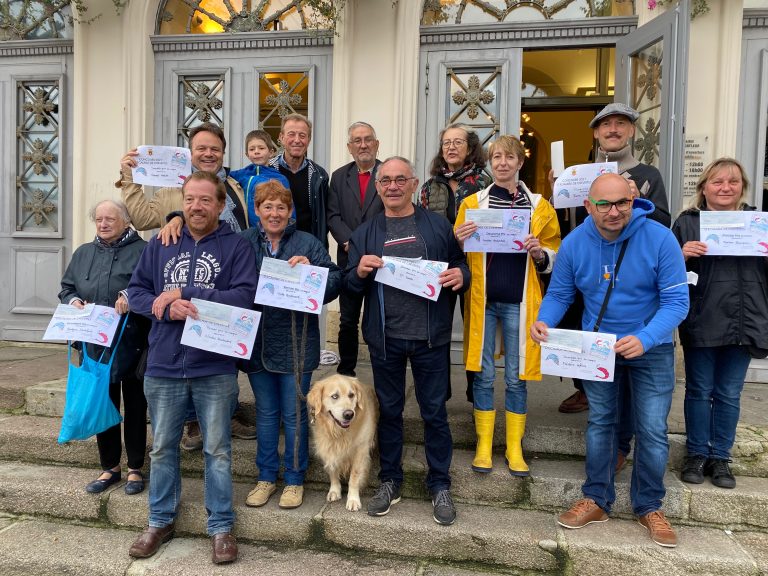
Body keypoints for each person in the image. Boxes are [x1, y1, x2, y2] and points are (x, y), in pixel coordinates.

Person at [531, 173, 688, 548]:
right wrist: (543, 320)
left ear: (632, 201)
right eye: (604, 204)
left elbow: (677, 302)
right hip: (597, 349)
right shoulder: (574, 243)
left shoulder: (660, 238)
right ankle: (596, 498)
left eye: (622, 203)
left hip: (651, 347)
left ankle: (649, 505)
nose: (615, 211)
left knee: (651, 429)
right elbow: (561, 293)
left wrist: (646, 337)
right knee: (601, 423)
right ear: (589, 206)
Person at [126, 171, 259, 564]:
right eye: (190, 200)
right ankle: (159, 521)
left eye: (205, 200)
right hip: (164, 364)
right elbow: (136, 293)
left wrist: (188, 293)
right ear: (181, 204)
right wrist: (166, 307)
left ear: (220, 205)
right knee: (164, 448)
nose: (197, 207)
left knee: (217, 449)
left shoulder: (235, 246)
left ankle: (220, 526)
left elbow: (245, 298)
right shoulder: (159, 243)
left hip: (214, 365)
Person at [343, 156, 470, 526]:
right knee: (391, 413)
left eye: (401, 179)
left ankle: (440, 483)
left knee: (434, 413)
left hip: (430, 337)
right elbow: (349, 284)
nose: (393, 186)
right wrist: (360, 273)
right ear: (378, 186)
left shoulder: (437, 225)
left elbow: (461, 265)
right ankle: (390, 481)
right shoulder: (366, 232)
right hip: (386, 338)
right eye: (386, 180)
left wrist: (461, 276)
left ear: (414, 184)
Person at [118, 122, 256, 448]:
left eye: (215, 149)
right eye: (202, 148)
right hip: (183, 287)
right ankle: (193, 423)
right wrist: (130, 179)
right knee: (188, 348)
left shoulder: (237, 186)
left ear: (223, 153)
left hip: (227, 280)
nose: (208, 154)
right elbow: (140, 217)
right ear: (190, 153)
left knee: (223, 354)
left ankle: (226, 412)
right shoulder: (171, 190)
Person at [556, 104, 671, 471]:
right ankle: (586, 393)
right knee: (587, 345)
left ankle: (624, 447)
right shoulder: (580, 173)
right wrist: (559, 188)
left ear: (633, 131)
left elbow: (664, 222)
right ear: (595, 133)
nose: (613, 129)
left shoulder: (647, 174)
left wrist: (637, 203)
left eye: (621, 124)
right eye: (606, 125)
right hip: (591, 284)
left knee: (642, 403)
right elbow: (570, 225)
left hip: (637, 302)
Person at [454, 135, 560, 476]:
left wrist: (539, 252)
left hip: (520, 300)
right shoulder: (473, 203)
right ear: (490, 162)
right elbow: (456, 250)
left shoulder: (540, 205)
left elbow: (553, 253)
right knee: (483, 375)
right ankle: (484, 445)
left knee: (517, 376)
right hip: (483, 300)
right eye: (496, 157)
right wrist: (459, 238)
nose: (502, 163)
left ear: (519, 162)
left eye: (509, 157)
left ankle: (514, 447)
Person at [241, 181, 341, 510]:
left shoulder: (307, 242)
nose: (274, 213)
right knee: (267, 415)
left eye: (281, 207)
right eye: (267, 207)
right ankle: (266, 477)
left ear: (290, 212)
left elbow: (334, 281)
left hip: (296, 343)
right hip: (256, 341)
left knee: (295, 414)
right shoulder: (243, 243)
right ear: (257, 211)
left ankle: (295, 479)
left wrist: (313, 273)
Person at [674, 158, 768, 489]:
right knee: (699, 390)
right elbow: (664, 271)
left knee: (729, 392)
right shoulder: (686, 223)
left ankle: (721, 457)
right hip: (702, 317)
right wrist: (681, 253)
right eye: (717, 182)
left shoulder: (757, 223)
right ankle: (697, 453)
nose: (725, 188)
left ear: (743, 186)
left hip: (746, 318)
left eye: (732, 182)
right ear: (703, 188)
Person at [58, 200, 150, 495]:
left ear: (125, 221)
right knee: (102, 403)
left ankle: (136, 467)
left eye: (110, 218)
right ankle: (109, 467)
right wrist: (73, 302)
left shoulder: (143, 251)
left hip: (133, 343)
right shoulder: (84, 252)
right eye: (99, 219)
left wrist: (128, 295)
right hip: (95, 344)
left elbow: (150, 285)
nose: (104, 224)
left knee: (136, 406)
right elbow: (67, 287)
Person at [420, 122, 491, 402]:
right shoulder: (429, 186)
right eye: (446, 143)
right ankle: (441, 393)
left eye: (458, 142)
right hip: (440, 266)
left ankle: (477, 393)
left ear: (471, 148)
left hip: (476, 264)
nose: (451, 147)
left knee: (476, 330)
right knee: (438, 331)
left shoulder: (485, 183)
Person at [327, 121, 384, 377]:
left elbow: (393, 215)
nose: (363, 145)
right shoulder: (339, 176)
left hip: (382, 259)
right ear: (350, 147)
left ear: (376, 144)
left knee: (380, 320)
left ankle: (383, 370)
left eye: (368, 139)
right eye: (357, 140)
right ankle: (346, 371)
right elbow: (333, 216)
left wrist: (369, 245)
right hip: (349, 259)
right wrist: (351, 242)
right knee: (347, 320)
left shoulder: (388, 172)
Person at [269, 113, 330, 248]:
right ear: (281, 137)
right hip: (273, 247)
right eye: (291, 134)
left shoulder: (319, 175)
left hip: (308, 248)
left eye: (302, 135)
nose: (297, 140)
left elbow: (324, 217)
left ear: (309, 139)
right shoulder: (267, 170)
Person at [229, 129, 291, 226]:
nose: (256, 152)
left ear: (271, 152)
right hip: (246, 232)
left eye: (261, 148)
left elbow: (289, 208)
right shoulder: (241, 174)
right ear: (247, 155)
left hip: (270, 231)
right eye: (252, 149)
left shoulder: (279, 178)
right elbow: (222, 175)